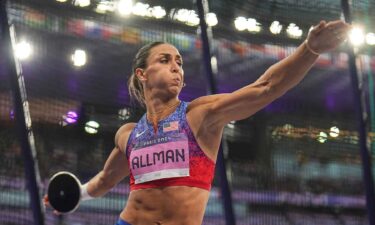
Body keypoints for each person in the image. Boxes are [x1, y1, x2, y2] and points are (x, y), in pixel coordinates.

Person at [44, 20, 351, 225]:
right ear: (143, 74)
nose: (176, 67)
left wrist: (309, 50)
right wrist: (73, 195)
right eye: (165, 60)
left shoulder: (200, 116)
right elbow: (104, 181)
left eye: (179, 61)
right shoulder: (128, 135)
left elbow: (265, 88)